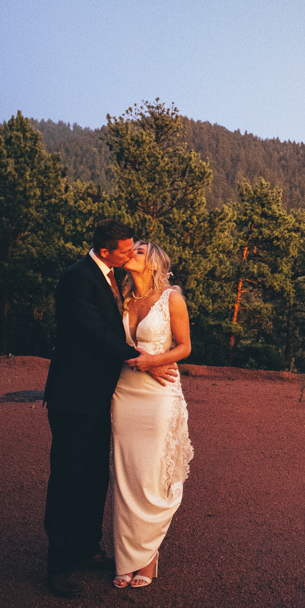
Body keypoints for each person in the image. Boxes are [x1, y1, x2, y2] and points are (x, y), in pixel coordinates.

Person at [42, 219, 176, 598]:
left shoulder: (115, 278)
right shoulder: (78, 278)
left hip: (105, 397)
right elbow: (92, 332)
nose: (132, 253)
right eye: (126, 250)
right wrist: (143, 357)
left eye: (135, 249)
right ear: (105, 252)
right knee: (68, 477)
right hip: (74, 396)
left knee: (95, 476)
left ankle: (86, 547)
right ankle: (59, 566)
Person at [110, 240, 194, 588]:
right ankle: (126, 558)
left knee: (151, 474)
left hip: (160, 396)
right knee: (125, 475)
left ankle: (149, 553)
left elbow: (185, 347)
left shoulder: (171, 298)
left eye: (140, 251)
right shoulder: (122, 299)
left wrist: (152, 362)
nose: (132, 254)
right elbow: (110, 343)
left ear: (155, 263)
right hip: (124, 393)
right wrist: (138, 362)